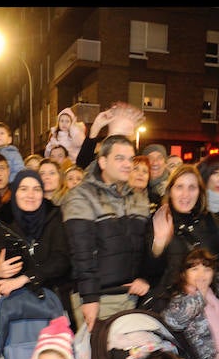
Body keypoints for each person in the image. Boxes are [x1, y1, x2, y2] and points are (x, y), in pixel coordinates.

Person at [61, 134, 152, 332]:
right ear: (102, 161)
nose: (127, 164)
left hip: (131, 296)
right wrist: (90, 298)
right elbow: (82, 252)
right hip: (99, 298)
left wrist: (144, 277)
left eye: (130, 159)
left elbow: (145, 247)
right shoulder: (81, 195)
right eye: (119, 158)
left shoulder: (139, 198)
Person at [144, 163, 219, 317]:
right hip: (170, 309)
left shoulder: (213, 222)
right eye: (179, 187)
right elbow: (150, 276)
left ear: (200, 192)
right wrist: (158, 245)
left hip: (208, 307)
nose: (186, 194)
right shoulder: (159, 221)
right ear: (170, 191)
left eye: (192, 188)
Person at [0, 170, 72, 313]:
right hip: (19, 306)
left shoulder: (54, 215)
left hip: (54, 299)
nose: (31, 195)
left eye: (36, 189)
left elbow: (61, 259)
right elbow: (1, 265)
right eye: (24, 189)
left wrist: (26, 278)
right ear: (14, 192)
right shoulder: (1, 223)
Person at [74, 102, 145, 169]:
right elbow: (82, 166)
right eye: (114, 137)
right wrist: (95, 128)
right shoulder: (99, 158)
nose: (117, 141)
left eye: (123, 137)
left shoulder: (134, 163)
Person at [142, 144, 171, 208]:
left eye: (159, 158)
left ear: (165, 162)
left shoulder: (172, 187)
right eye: (150, 158)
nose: (155, 162)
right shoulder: (138, 187)